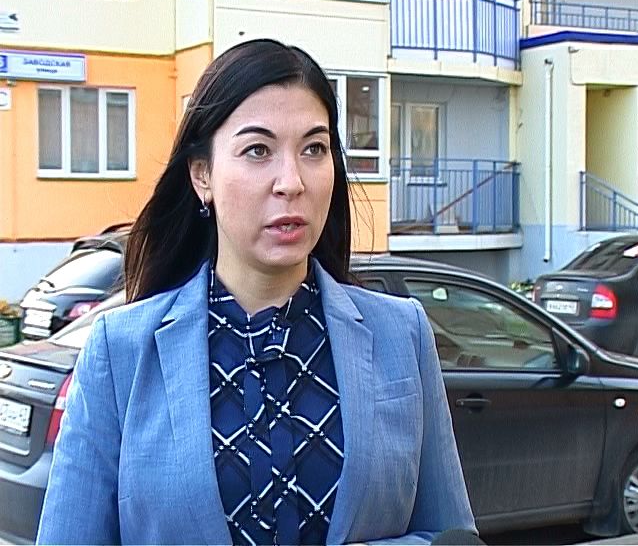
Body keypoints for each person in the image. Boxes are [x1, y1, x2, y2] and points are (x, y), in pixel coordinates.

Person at [36, 39, 476, 546]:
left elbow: (451, 534)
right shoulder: (120, 352)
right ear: (202, 175)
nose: (291, 182)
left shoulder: (402, 334)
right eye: (258, 151)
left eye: (314, 149)